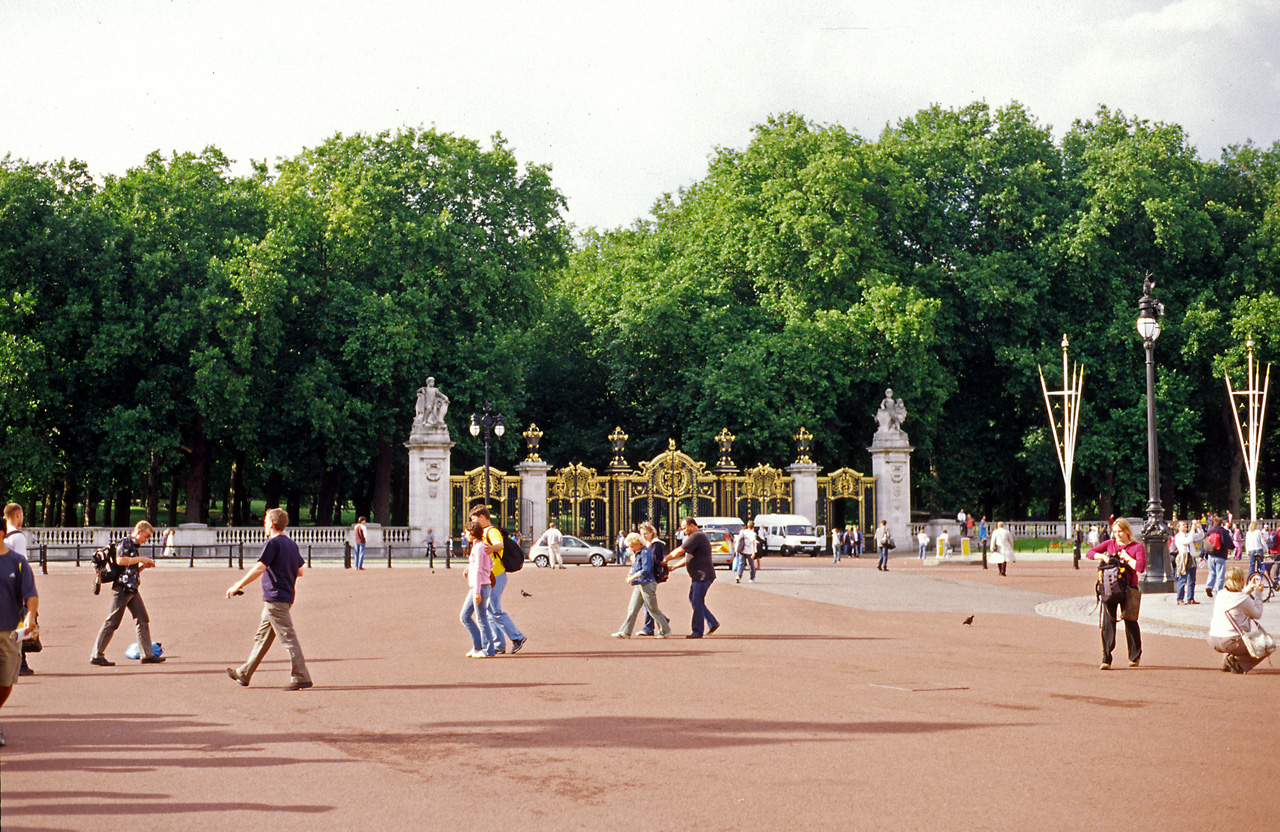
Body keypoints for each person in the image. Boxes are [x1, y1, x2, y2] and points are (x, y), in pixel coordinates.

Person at [225, 508, 312, 690]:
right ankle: (245, 673)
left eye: (265, 522)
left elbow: (260, 567)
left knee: (288, 637)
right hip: (285, 596)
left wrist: (238, 585)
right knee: (262, 637)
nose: (264, 525)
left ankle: (301, 676)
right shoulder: (291, 544)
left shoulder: (273, 543)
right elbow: (300, 571)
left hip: (275, 597)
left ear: (272, 524)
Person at [91, 520, 165, 666]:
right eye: (146, 536)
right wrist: (141, 559)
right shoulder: (125, 543)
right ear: (138, 531)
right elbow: (120, 560)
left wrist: (143, 566)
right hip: (122, 589)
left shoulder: (134, 546)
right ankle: (96, 654)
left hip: (131, 587)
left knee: (142, 619)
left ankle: (147, 654)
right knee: (112, 622)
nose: (146, 540)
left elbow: (130, 570)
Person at [1086, 517, 1146, 670]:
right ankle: (1106, 657)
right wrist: (1103, 556)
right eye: (1115, 532)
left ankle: (1134, 655)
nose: (1117, 535)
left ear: (1127, 531)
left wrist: (1127, 557)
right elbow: (1089, 553)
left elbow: (1140, 568)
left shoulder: (1137, 547)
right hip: (1110, 588)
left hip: (1129, 588)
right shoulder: (1110, 544)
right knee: (1108, 622)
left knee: (1130, 621)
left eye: (1120, 531)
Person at [470, 506, 526, 654]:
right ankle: (498, 644)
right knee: (489, 611)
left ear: (482, 517)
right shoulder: (483, 533)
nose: (473, 523)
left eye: (474, 519)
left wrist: (492, 548)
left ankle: (517, 637)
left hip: (496, 575)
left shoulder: (491, 531)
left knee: (493, 610)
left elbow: (499, 544)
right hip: (490, 576)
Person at [0, 529, 38, 747]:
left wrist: (31, 615)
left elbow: (31, 593)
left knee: (6, 681)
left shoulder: (18, 562)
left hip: (10, 631)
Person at [1208, 568, 1272, 673]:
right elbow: (1257, 614)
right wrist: (1258, 594)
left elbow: (1235, 597)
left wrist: (1249, 588)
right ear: (1240, 580)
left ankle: (1227, 660)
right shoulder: (1244, 600)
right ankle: (1238, 663)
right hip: (1230, 641)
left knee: (1232, 636)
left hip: (1213, 639)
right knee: (1267, 645)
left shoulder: (1220, 594)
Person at [665, 517, 719, 638]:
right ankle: (712, 622)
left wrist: (665, 559)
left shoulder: (696, 536)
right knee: (694, 599)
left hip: (702, 575)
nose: (683, 531)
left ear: (692, 525)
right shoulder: (696, 537)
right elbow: (688, 557)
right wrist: (673, 567)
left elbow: (679, 551)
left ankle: (697, 631)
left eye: (685, 528)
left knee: (697, 602)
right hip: (699, 575)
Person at [613, 532, 671, 638]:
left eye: (631, 545)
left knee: (652, 609)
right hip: (640, 584)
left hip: (648, 583)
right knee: (632, 608)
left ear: (637, 543)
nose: (630, 547)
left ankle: (665, 631)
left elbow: (645, 570)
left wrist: (632, 577)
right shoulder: (639, 552)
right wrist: (631, 574)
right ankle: (625, 632)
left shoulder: (645, 552)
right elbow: (636, 567)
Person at [458, 520, 497, 658]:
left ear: (473, 533)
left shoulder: (479, 547)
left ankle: (488, 650)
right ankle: (478, 646)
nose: (465, 535)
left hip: (479, 587)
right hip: (477, 585)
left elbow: (480, 570)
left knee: (481, 618)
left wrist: (477, 592)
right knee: (464, 616)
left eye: (467, 532)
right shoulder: (480, 546)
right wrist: (471, 569)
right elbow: (489, 564)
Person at [4, 504, 34, 676]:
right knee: (19, 624)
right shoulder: (18, 537)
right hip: (14, 587)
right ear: (17, 515)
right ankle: (20, 662)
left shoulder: (4, 536)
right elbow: (22, 565)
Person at [638, 522, 668, 636]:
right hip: (646, 576)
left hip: (651, 576)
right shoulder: (648, 544)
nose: (643, 536)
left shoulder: (656, 545)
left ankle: (649, 627)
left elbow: (652, 560)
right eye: (641, 534)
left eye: (645, 533)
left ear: (652, 532)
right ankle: (661, 620)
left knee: (647, 603)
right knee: (646, 603)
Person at [1173, 520, 1204, 605]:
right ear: (1178, 527)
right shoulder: (1178, 536)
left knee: (1192, 579)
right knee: (1182, 579)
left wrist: (1198, 527)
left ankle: (1190, 598)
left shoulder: (1188, 534)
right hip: (1183, 557)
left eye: (1186, 525)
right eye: (1183, 525)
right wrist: (1193, 529)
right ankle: (1180, 599)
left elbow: (1201, 536)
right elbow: (1188, 541)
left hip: (1191, 557)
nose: (1185, 526)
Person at [1203, 516, 1235, 598]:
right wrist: (1232, 547)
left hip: (1210, 555)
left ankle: (1209, 586)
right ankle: (1219, 591)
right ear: (1221, 524)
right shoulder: (1223, 531)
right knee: (1220, 574)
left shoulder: (1210, 531)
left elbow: (1205, 543)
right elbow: (1228, 542)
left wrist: (1202, 554)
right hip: (1220, 555)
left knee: (1212, 572)